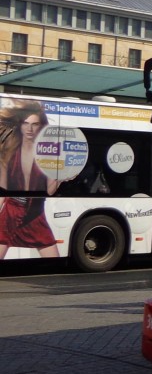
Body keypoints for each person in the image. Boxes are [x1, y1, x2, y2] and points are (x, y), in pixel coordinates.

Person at [0, 100, 75, 259]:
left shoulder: (47, 153)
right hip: (10, 214)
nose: (29, 128)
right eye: (26, 123)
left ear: (41, 126)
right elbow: (2, 190)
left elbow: (49, 191)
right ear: (20, 126)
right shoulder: (9, 153)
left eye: (34, 124)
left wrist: (61, 178)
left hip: (36, 215)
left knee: (54, 261)